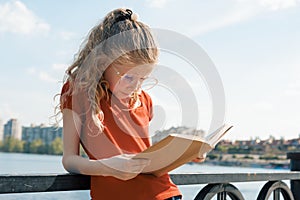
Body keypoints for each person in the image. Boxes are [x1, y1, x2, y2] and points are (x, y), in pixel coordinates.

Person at [57, 8, 183, 200]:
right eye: (129, 77)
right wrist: (109, 167)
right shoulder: (77, 91)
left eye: (143, 78)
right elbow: (70, 160)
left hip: (167, 194)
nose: (136, 86)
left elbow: (146, 160)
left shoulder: (144, 100)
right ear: (102, 63)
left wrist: (183, 154)